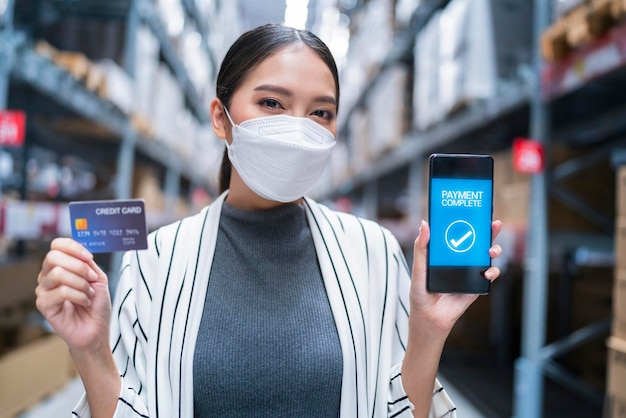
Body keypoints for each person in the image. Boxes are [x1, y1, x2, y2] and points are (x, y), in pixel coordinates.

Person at [35, 23, 502, 418]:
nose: (299, 131)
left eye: (321, 112)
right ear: (221, 118)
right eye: (272, 104)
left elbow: (401, 409)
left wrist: (428, 332)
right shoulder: (158, 258)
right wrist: (91, 348)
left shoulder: (372, 252)